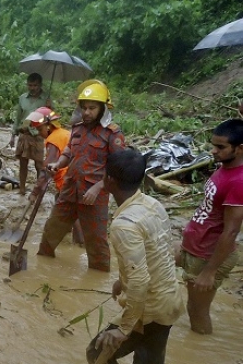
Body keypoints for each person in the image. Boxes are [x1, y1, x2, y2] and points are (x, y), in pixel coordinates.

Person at [86, 149, 185, 364]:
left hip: (150, 308)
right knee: (149, 359)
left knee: (97, 353)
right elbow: (159, 252)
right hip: (169, 300)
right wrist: (123, 281)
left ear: (109, 180)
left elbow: (140, 280)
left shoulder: (124, 226)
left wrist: (124, 328)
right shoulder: (153, 204)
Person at [36, 81, 126, 272]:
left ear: (103, 109)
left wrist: (99, 186)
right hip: (69, 188)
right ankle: (43, 267)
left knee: (96, 240)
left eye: (92, 108)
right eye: (84, 108)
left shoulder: (112, 133)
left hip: (94, 195)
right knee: (52, 229)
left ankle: (97, 277)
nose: (86, 112)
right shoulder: (77, 128)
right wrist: (58, 163)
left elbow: (118, 166)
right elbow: (69, 151)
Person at [177, 119, 243, 334]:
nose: (213, 151)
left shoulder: (238, 182)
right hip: (195, 246)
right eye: (213, 145)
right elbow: (207, 210)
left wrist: (210, 271)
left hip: (208, 254)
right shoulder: (224, 168)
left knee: (197, 310)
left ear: (240, 149)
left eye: (221, 147)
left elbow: (231, 230)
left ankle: (201, 347)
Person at [26, 107, 84, 245]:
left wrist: (35, 192)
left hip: (68, 181)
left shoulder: (53, 140)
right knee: (70, 208)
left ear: (48, 126)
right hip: (77, 178)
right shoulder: (63, 133)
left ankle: (80, 243)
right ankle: (75, 239)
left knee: (72, 213)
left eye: (40, 129)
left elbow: (47, 170)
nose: (39, 134)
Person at [9, 72, 52, 195]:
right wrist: (13, 135)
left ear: (40, 85)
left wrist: (50, 108)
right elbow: (18, 118)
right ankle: (22, 189)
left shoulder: (46, 99)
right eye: (30, 85)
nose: (32, 88)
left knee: (39, 165)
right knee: (23, 164)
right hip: (24, 134)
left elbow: (52, 118)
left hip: (38, 135)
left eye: (35, 85)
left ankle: (37, 190)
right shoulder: (23, 98)